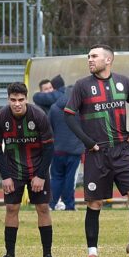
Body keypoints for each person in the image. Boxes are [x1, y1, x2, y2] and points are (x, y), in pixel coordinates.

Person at [63, 44, 129, 257]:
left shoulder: (123, 82)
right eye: (88, 56)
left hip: (122, 151)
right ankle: (92, 253)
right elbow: (69, 115)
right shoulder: (82, 85)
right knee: (95, 203)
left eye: (94, 56)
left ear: (108, 60)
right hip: (97, 153)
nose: (90, 60)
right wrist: (87, 141)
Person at [0, 82, 58, 257]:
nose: (17, 103)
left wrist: (41, 175)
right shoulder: (0, 118)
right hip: (13, 171)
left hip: (37, 169)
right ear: (8, 99)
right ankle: (10, 255)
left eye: (21, 99)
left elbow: (49, 147)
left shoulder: (39, 116)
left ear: (26, 99)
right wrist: (5, 176)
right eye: (13, 100)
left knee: (43, 208)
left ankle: (48, 256)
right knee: (11, 209)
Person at [36, 75, 83, 211]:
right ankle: (69, 205)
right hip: (74, 150)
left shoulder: (54, 108)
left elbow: (49, 128)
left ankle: (51, 204)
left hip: (57, 149)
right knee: (70, 179)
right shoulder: (79, 109)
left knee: (56, 177)